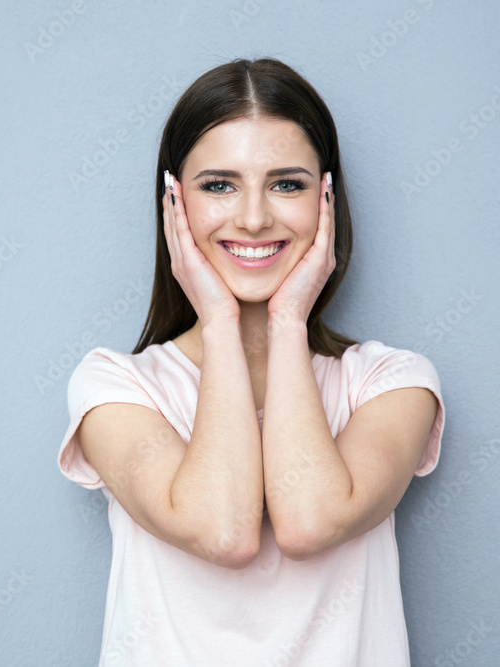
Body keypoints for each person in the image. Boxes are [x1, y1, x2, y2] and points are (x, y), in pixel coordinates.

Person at [57, 57, 445, 666]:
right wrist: (219, 322)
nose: (255, 218)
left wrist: (288, 322)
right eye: (219, 185)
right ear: (174, 203)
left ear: (327, 198)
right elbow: (224, 532)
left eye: (287, 184)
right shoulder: (117, 387)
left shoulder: (391, 384)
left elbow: (310, 522)